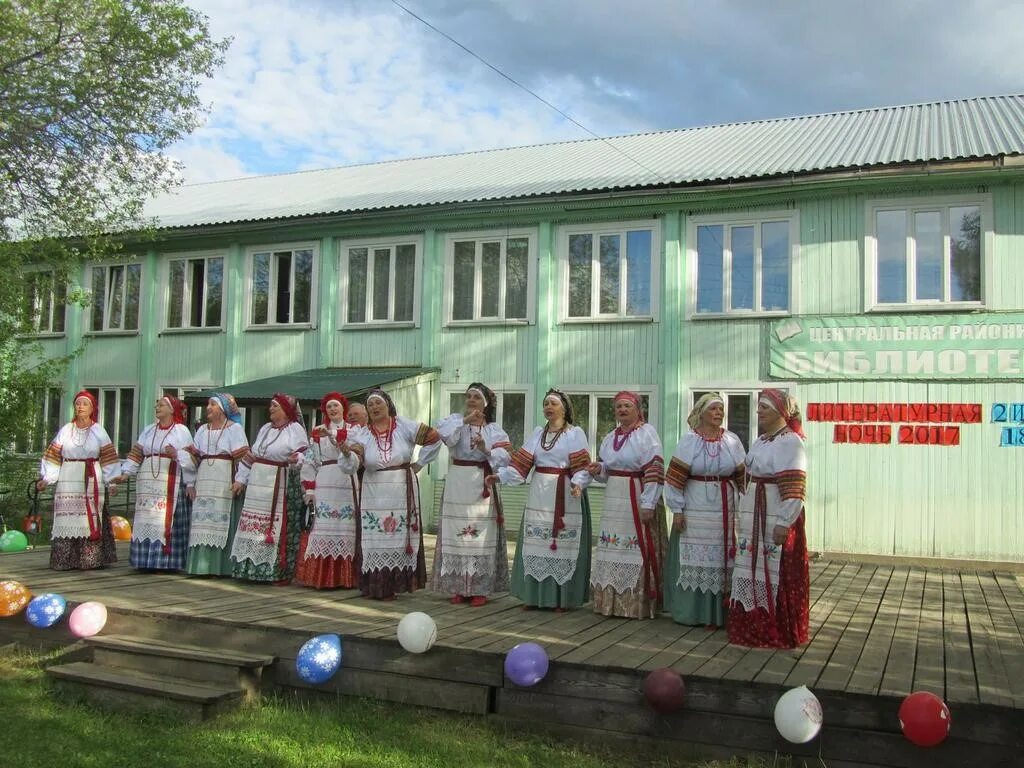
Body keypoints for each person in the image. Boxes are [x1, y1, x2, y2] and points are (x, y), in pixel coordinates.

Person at [491, 388, 592, 611]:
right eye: (546, 403)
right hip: (539, 493)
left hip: (565, 493)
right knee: (537, 541)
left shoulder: (574, 434)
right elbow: (521, 465)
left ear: (564, 409)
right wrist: (500, 476)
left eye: (553, 404)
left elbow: (583, 464)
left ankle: (561, 598)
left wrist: (578, 483)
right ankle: (534, 597)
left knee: (562, 545)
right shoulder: (538, 434)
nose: (548, 407)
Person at [728, 389, 809, 649]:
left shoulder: (790, 442)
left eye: (764, 407)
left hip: (775, 510)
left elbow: (795, 486)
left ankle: (775, 628)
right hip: (756, 510)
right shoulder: (763, 440)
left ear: (780, 412)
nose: (758, 412)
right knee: (751, 562)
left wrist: (784, 522)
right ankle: (752, 624)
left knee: (775, 567)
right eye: (759, 407)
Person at [344, 389, 441, 599]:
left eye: (378, 403)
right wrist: (345, 453)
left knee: (399, 536)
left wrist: (420, 463)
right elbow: (354, 462)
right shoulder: (362, 434)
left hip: (401, 487)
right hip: (374, 488)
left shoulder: (404, 425)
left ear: (388, 405)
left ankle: (395, 585)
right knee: (375, 536)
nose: (375, 408)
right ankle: (375, 586)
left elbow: (434, 437)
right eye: (370, 405)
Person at [663, 393, 746, 627]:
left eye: (721, 409)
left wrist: (745, 509)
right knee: (695, 555)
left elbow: (743, 478)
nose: (719, 413)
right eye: (714, 409)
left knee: (723, 555)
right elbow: (674, 479)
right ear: (701, 413)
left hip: (725, 506)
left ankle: (721, 613)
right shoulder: (689, 441)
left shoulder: (731, 440)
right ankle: (694, 612)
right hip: (695, 503)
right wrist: (677, 510)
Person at [431, 383, 512, 607]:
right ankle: (457, 586)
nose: (471, 400)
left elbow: (506, 457)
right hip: (458, 480)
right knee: (456, 533)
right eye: (468, 397)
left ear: (485, 404)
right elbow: (445, 437)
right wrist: (465, 421)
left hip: (481, 481)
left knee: (480, 534)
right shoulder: (456, 422)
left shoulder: (494, 430)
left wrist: (486, 448)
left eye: (476, 397)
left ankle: (479, 588)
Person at [586, 391, 666, 619]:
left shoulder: (647, 434)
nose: (622, 410)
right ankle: (609, 603)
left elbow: (655, 468)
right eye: (618, 406)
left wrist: (649, 502)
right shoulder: (611, 437)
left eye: (627, 406)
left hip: (637, 494)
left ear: (637, 409)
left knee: (635, 547)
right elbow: (608, 472)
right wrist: (598, 470)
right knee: (612, 545)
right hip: (614, 498)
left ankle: (635, 604)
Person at [36, 391, 120, 570]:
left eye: (85, 404)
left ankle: (90, 560)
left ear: (92, 408)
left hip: (90, 477)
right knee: (68, 517)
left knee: (89, 516)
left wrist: (112, 481)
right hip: (68, 476)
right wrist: (47, 478)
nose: (80, 407)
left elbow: (107, 457)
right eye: (77, 403)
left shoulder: (98, 430)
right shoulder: (66, 429)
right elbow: (53, 456)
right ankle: (64, 560)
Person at [229, 393, 308, 584]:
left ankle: (276, 572)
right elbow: (251, 456)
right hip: (258, 485)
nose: (270, 409)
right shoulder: (265, 428)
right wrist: (240, 479)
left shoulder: (295, 429)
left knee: (276, 528)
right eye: (270, 405)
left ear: (286, 410)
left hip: (279, 483)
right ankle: (249, 570)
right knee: (253, 526)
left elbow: (304, 454)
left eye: (275, 406)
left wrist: (295, 459)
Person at [116, 395, 195, 570]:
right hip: (148, 482)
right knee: (147, 518)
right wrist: (126, 473)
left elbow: (191, 458)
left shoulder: (181, 431)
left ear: (172, 409)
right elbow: (137, 453)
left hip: (170, 481)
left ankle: (166, 562)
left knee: (166, 519)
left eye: (162, 405)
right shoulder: (149, 430)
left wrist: (189, 481)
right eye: (157, 405)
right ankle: (144, 561)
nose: (157, 408)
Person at [295, 392, 362, 589]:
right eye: (329, 407)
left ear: (343, 408)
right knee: (322, 526)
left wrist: (332, 435)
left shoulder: (354, 430)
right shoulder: (317, 432)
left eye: (336, 406)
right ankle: (322, 577)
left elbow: (347, 444)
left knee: (345, 526)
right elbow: (310, 461)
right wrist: (309, 489)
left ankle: (346, 577)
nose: (332, 410)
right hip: (325, 479)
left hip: (346, 479)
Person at [184, 394, 248, 576]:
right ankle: (200, 567)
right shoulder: (203, 430)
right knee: (202, 519)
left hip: (224, 478)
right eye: (208, 404)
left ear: (223, 409)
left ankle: (221, 567)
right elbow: (195, 458)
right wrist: (190, 481)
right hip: (204, 478)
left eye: (212, 404)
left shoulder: (234, 429)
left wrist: (240, 480)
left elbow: (242, 458)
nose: (208, 407)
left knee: (221, 519)